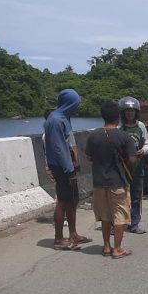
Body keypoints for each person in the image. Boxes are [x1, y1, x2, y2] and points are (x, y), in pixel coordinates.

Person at [85, 100, 137, 259]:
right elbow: (132, 160)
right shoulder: (124, 136)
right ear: (118, 117)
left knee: (105, 216)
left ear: (103, 116)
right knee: (119, 215)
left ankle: (106, 246)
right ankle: (118, 248)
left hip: (99, 182)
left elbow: (89, 157)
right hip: (118, 181)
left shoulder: (93, 136)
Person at [43, 88, 91, 250]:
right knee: (63, 201)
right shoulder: (56, 120)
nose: (76, 108)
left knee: (73, 200)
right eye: (74, 104)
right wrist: (69, 170)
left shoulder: (63, 117)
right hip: (62, 167)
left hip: (67, 166)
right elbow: (59, 149)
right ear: (68, 104)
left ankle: (73, 234)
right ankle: (58, 239)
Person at [118, 96, 148, 233]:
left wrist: (144, 150)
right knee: (121, 197)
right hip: (122, 168)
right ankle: (120, 223)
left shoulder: (140, 126)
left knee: (136, 196)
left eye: (132, 111)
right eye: (127, 111)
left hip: (137, 167)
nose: (130, 114)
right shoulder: (120, 128)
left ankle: (135, 223)